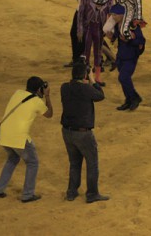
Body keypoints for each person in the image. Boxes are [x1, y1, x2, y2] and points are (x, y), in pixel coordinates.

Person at [0, 76, 53, 202]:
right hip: (19, 137)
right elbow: (49, 114)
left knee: (13, 158)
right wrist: (47, 96)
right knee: (33, 162)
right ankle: (28, 194)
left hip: (3, 135)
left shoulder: (17, 93)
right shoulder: (37, 102)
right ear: (39, 89)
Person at [60, 62, 110, 203]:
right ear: (85, 75)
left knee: (74, 163)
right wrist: (93, 80)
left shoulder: (64, 87)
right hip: (83, 133)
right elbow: (100, 95)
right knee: (92, 162)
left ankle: (71, 192)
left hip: (67, 132)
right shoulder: (86, 88)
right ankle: (92, 194)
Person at [107, 4, 145, 111]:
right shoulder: (116, 25)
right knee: (124, 79)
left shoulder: (133, 26)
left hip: (131, 57)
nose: (113, 17)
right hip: (121, 56)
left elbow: (141, 41)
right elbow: (118, 38)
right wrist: (112, 37)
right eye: (112, 14)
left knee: (123, 78)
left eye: (115, 15)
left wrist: (130, 40)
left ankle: (133, 98)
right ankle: (129, 100)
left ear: (123, 15)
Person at [77, 0, 111, 83]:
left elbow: (110, 16)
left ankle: (97, 77)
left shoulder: (109, 0)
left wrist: (108, 29)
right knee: (86, 52)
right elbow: (80, 14)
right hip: (88, 28)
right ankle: (85, 76)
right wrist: (79, 29)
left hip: (100, 29)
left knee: (98, 52)